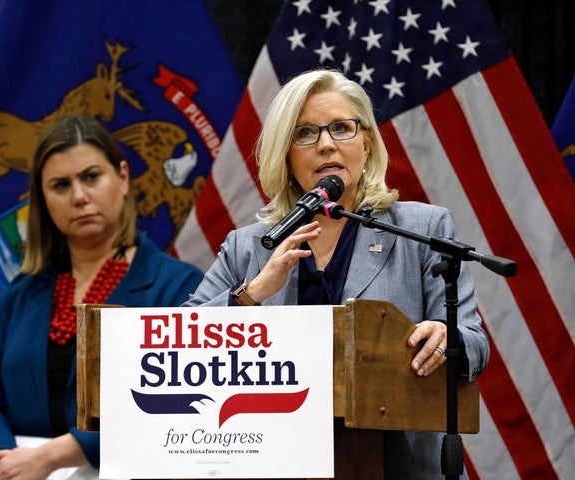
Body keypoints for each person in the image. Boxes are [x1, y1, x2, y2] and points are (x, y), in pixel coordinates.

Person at [183, 69, 489, 478]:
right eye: (305, 133)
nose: (326, 143)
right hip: (275, 460)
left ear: (366, 144)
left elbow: (473, 341)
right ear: (286, 156)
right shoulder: (249, 246)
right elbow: (181, 339)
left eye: (342, 128)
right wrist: (251, 294)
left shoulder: (423, 229)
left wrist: (445, 336)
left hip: (399, 463)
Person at [0, 115, 204, 479]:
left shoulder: (180, 288)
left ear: (122, 178)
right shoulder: (20, 295)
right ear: (43, 199)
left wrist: (56, 456)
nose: (79, 196)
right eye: (60, 185)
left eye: (91, 177)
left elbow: (184, 405)